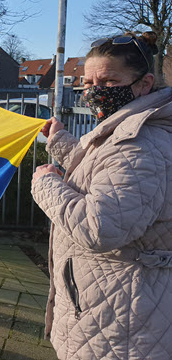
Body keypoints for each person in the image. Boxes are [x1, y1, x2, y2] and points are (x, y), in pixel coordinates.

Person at [31, 31, 172, 360]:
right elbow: (108, 175)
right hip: (116, 304)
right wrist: (62, 144)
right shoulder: (136, 128)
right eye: (88, 81)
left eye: (108, 82)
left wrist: (44, 184)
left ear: (143, 83)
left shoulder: (138, 144)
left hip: (120, 319)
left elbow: (101, 227)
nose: (94, 91)